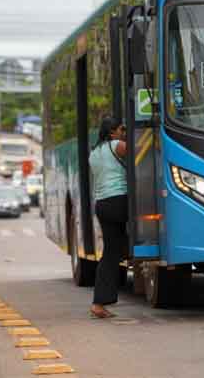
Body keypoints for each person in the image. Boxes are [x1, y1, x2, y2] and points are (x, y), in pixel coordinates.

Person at [88, 116, 128, 319]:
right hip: (119, 201)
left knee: (111, 253)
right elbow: (142, 153)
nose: (124, 132)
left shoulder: (94, 153)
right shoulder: (117, 145)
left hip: (102, 205)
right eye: (122, 129)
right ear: (112, 132)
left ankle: (98, 303)